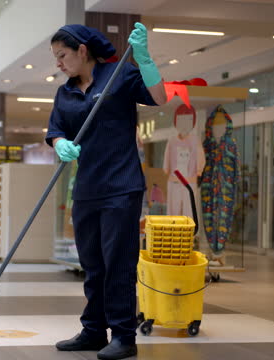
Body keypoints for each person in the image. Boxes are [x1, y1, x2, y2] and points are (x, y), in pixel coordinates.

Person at [46, 23, 166, 360]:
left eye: (62, 55)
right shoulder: (65, 93)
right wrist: (61, 143)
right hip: (86, 189)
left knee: (118, 263)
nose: (58, 63)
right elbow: (55, 129)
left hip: (121, 187)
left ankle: (124, 336)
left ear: (82, 50)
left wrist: (144, 59)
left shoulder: (119, 75)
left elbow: (159, 98)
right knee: (93, 264)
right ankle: (94, 330)